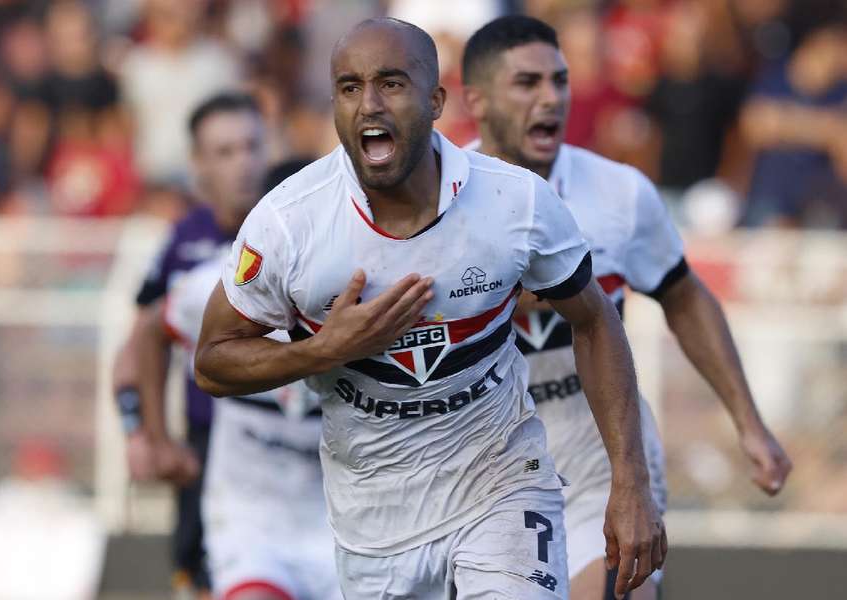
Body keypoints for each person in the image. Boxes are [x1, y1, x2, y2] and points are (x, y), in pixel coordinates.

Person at [195, 17, 665, 600]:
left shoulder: (514, 202)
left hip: (500, 486)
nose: (369, 104)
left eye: (391, 83)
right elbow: (212, 360)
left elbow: (595, 320)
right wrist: (325, 350)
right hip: (375, 523)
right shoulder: (287, 224)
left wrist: (631, 481)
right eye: (349, 87)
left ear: (436, 100)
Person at [460, 15, 792, 600]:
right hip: (490, 475)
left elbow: (683, 294)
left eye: (560, 81)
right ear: (477, 101)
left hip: (604, 462)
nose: (551, 98)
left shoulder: (618, 193)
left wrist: (749, 423)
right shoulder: (442, 202)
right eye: (527, 83)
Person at [112, 91, 268, 597]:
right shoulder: (182, 241)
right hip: (207, 450)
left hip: (290, 452)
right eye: (225, 152)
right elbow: (136, 345)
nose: (243, 163)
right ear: (198, 164)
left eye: (251, 146)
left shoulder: (293, 231)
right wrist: (142, 434)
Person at [139, 242, 339, 600]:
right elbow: (151, 329)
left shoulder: (377, 287)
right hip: (249, 522)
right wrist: (156, 437)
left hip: (345, 520)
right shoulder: (218, 287)